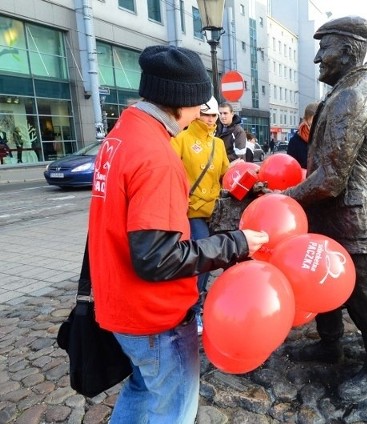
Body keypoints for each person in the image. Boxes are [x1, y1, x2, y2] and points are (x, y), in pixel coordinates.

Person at [87, 45, 268, 424]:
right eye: (200, 103)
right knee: (174, 408)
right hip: (153, 315)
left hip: (118, 302)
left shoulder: (121, 135)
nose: (203, 112)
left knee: (141, 388)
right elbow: (158, 258)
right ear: (182, 102)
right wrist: (238, 242)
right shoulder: (156, 154)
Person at [283, 16, 367, 402]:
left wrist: (286, 198)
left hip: (354, 220)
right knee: (322, 284)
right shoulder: (345, 89)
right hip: (331, 216)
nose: (317, 58)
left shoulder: (354, 94)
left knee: (365, 300)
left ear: (347, 51)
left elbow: (331, 177)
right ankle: (330, 344)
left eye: (324, 48)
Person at [171, 95, 229, 334]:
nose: (210, 119)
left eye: (214, 115)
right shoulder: (180, 140)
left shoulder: (219, 144)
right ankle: (193, 310)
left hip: (216, 211)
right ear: (197, 114)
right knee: (202, 261)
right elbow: (170, 174)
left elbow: (225, 175)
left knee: (229, 257)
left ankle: (227, 307)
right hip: (192, 210)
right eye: (206, 114)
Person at [287, 102, 319, 169]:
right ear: (305, 120)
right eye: (312, 124)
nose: (315, 128)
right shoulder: (294, 142)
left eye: (318, 124)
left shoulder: (323, 140)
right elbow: (290, 167)